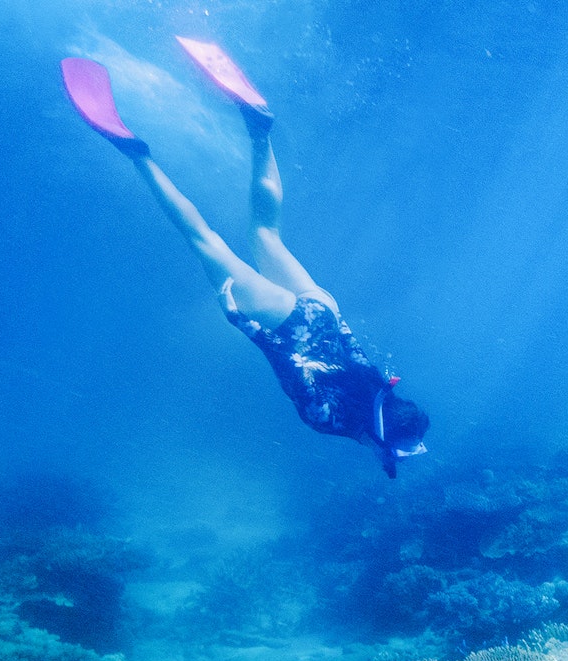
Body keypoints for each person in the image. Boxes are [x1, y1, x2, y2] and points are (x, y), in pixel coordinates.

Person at [60, 39, 428, 477]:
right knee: (203, 238)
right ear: (385, 446)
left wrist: (324, 313)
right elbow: (289, 364)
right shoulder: (333, 421)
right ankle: (135, 153)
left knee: (264, 231)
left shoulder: (381, 388)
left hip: (324, 311)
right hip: (284, 324)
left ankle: (260, 130)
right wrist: (241, 321)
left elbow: (349, 345)